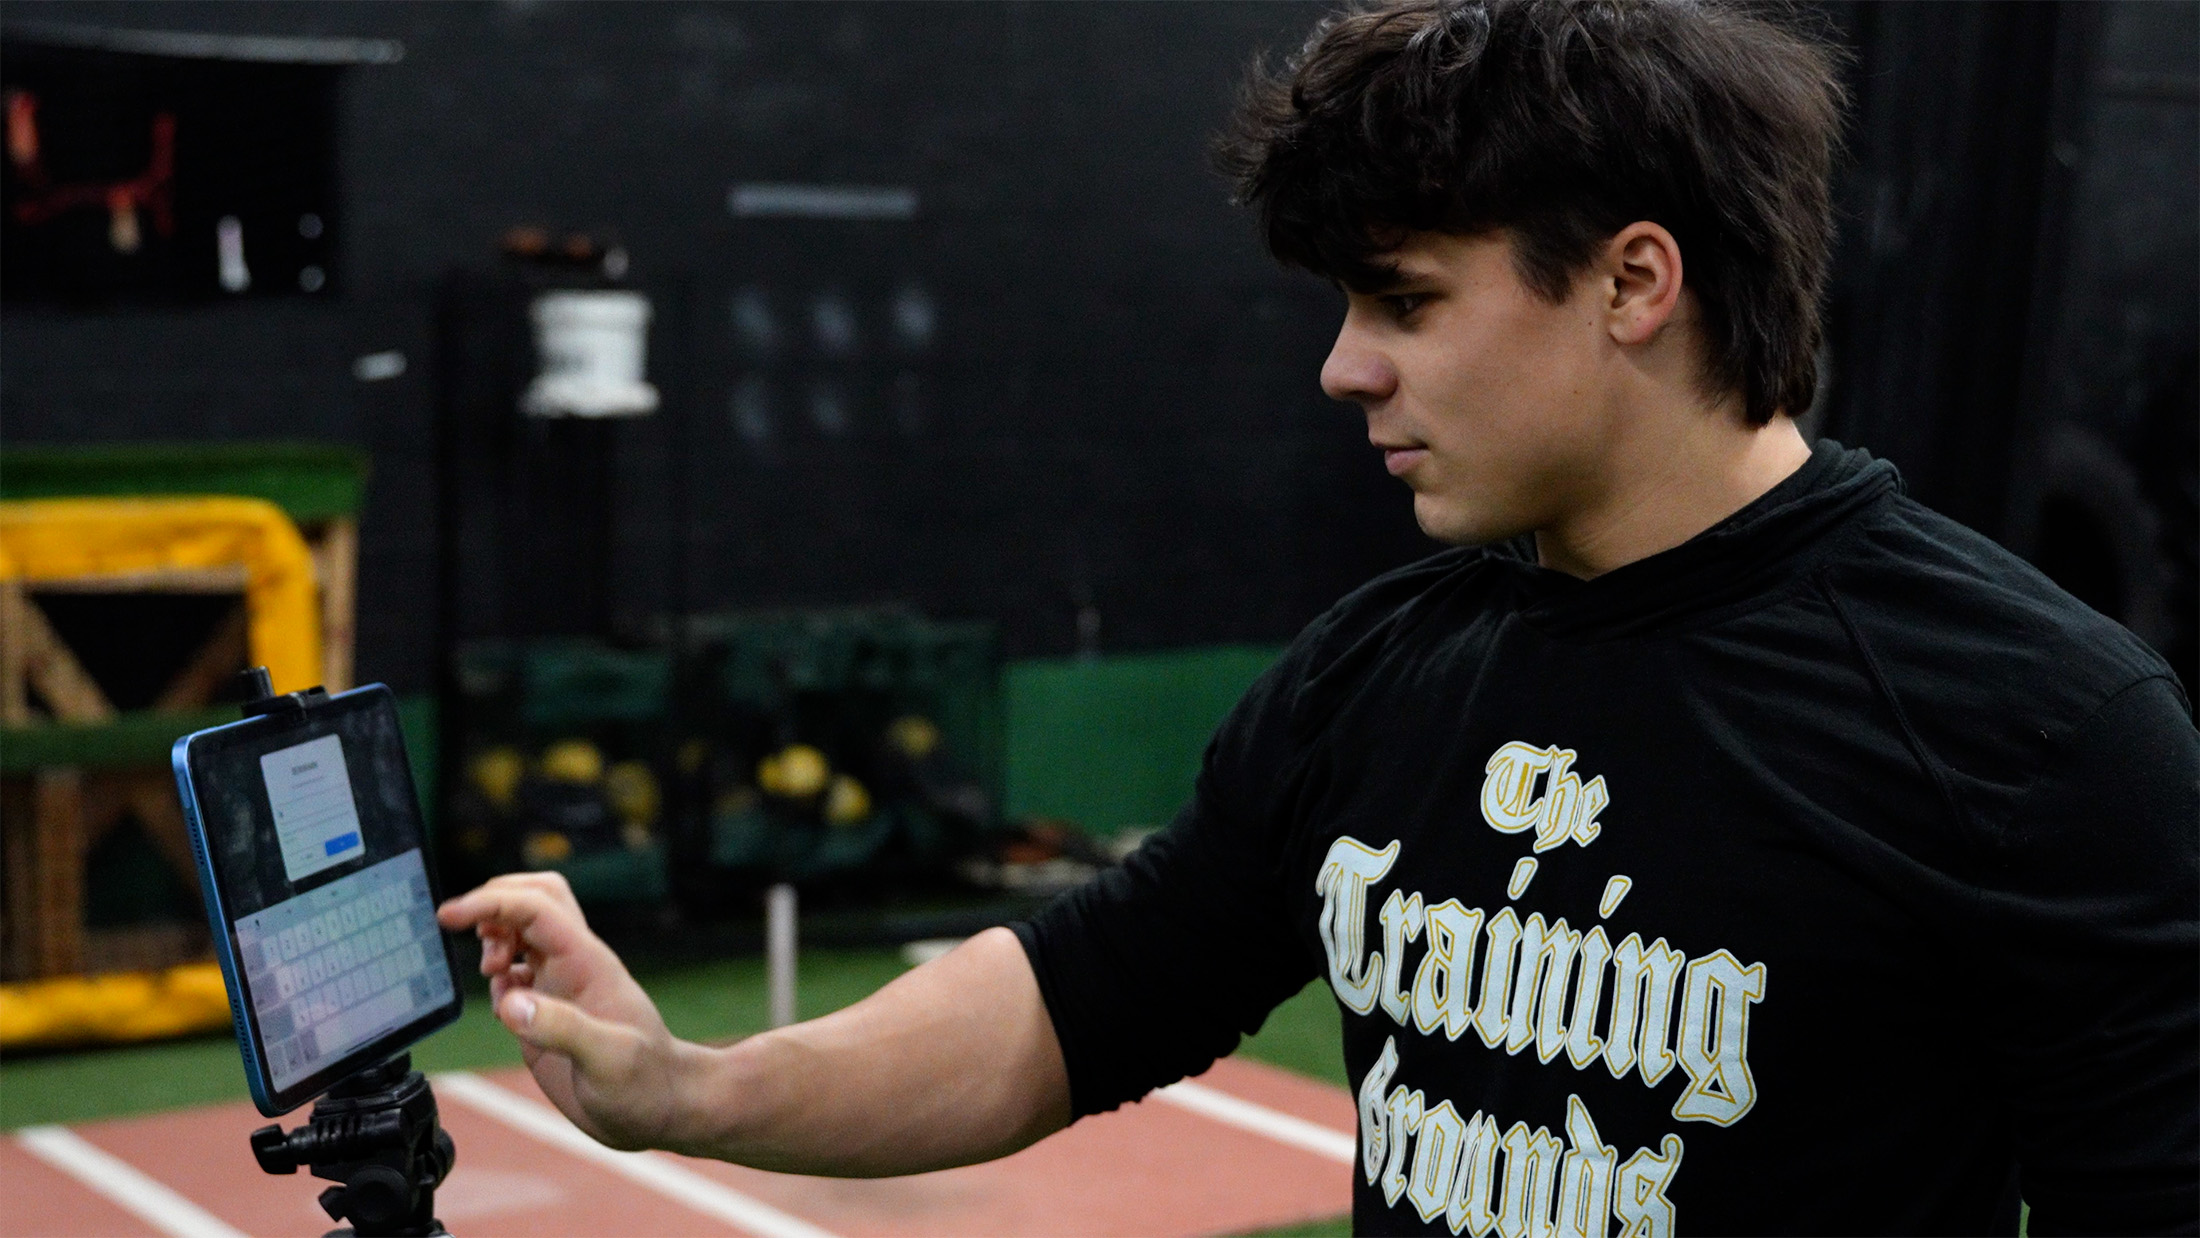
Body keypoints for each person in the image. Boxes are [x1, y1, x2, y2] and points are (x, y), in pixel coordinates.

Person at [437, 1, 2200, 1232]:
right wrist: (693, 1085)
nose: (1348, 366)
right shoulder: (1383, 669)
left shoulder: (2036, 723)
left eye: (1406, 300)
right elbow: (1086, 988)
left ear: (1635, 283)